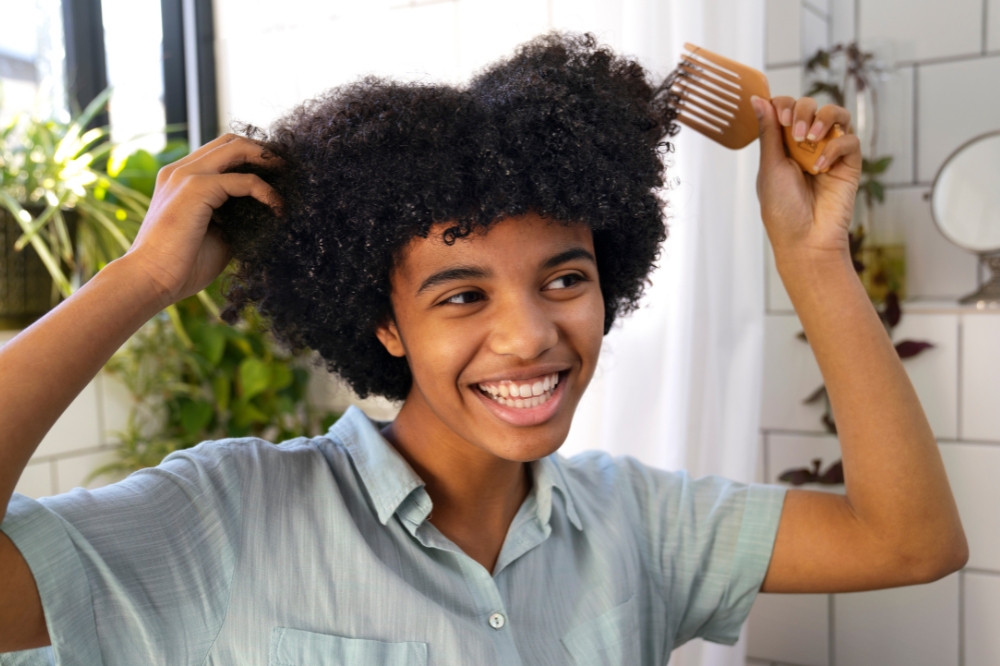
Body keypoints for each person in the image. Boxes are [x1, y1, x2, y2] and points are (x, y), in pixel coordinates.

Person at [0, 33, 966, 664]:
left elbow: (910, 542)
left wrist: (814, 259)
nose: (531, 335)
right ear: (385, 323)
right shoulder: (225, 516)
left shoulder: (641, 526)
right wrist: (141, 282)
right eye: (462, 294)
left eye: (565, 278)